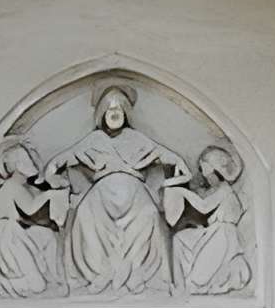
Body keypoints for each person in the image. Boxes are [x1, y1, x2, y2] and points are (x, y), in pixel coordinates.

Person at [41, 80, 185, 295]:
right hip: (100, 195)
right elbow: (62, 159)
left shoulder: (137, 138)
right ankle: (99, 273)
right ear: (102, 113)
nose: (114, 113)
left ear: (126, 112)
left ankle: (137, 272)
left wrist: (179, 163)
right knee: (85, 217)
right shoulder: (94, 140)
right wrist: (51, 174)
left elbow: (165, 155)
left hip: (135, 194)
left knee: (150, 216)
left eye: (118, 109)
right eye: (109, 109)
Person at [0, 137, 68, 298]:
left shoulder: (17, 186)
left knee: (48, 236)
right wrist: (50, 194)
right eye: (24, 160)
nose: (30, 164)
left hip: (15, 233)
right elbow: (30, 208)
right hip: (8, 238)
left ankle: (56, 277)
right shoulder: (12, 186)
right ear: (18, 166)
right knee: (37, 287)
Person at [167, 143, 253, 296]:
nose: (203, 174)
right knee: (180, 238)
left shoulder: (225, 189)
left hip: (223, 236)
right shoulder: (219, 190)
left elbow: (204, 206)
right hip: (214, 232)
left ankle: (192, 286)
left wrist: (181, 191)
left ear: (214, 170)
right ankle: (180, 285)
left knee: (204, 267)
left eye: (204, 170)